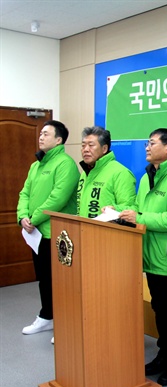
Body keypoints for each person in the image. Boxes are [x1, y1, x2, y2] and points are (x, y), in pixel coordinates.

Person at [118, 128, 167, 386]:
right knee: (160, 310)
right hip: (152, 257)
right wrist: (122, 213)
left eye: (152, 143)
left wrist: (139, 218)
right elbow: (141, 211)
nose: (146, 147)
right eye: (146, 142)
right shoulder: (147, 177)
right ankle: (165, 355)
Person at [17, 120, 79, 340]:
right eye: (40, 133)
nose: (41, 137)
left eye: (46, 134)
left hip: (58, 233)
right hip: (36, 233)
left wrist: (33, 218)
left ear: (59, 140)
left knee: (60, 280)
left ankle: (65, 322)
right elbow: (24, 193)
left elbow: (58, 198)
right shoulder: (36, 165)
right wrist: (22, 216)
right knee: (43, 278)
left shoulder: (65, 164)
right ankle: (47, 317)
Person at [77, 126, 136, 218]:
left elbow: (130, 208)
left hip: (106, 231)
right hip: (84, 229)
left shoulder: (120, 172)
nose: (86, 149)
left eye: (91, 145)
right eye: (83, 145)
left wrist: (114, 209)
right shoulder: (86, 172)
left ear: (104, 149)